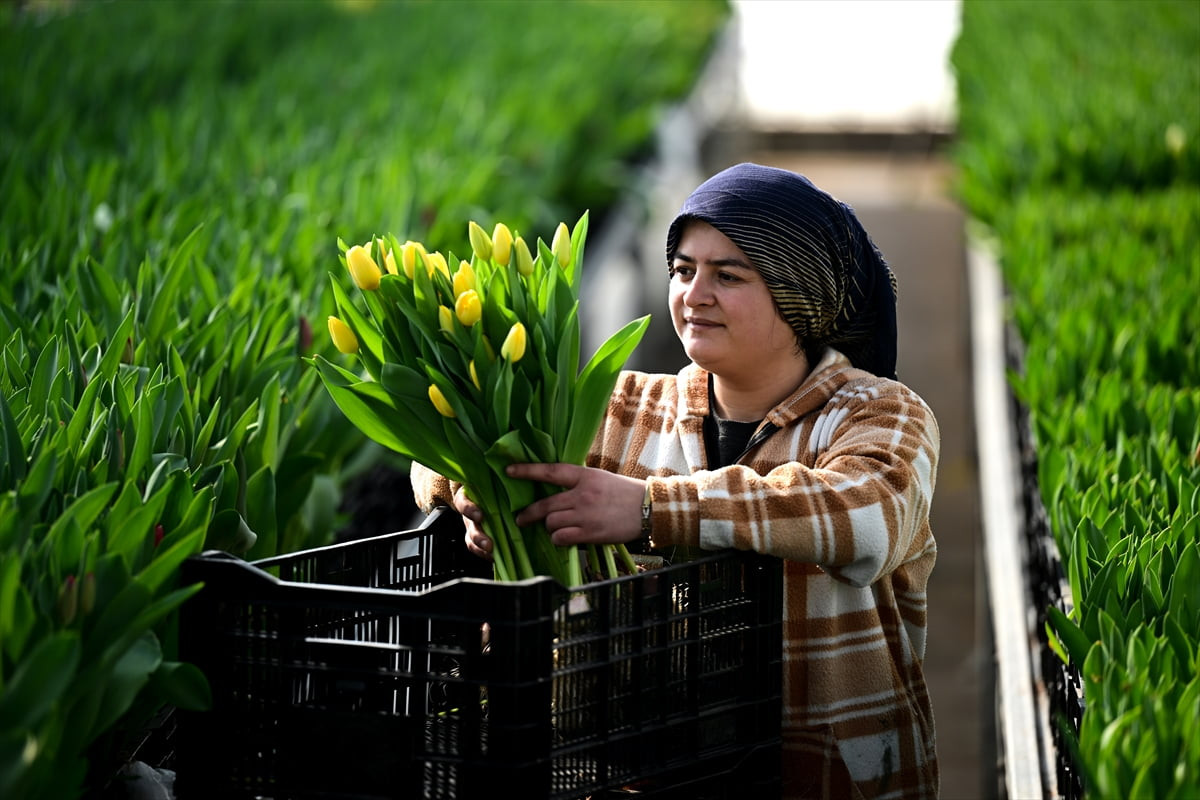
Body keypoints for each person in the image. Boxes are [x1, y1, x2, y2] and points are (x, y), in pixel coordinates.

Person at [411, 162, 940, 799]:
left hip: (824, 769)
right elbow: (450, 449)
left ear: (796, 292)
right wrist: (480, 493)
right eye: (684, 270)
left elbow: (865, 520)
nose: (694, 295)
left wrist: (649, 508)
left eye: (729, 275)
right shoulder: (622, 405)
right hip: (642, 769)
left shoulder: (879, 414)